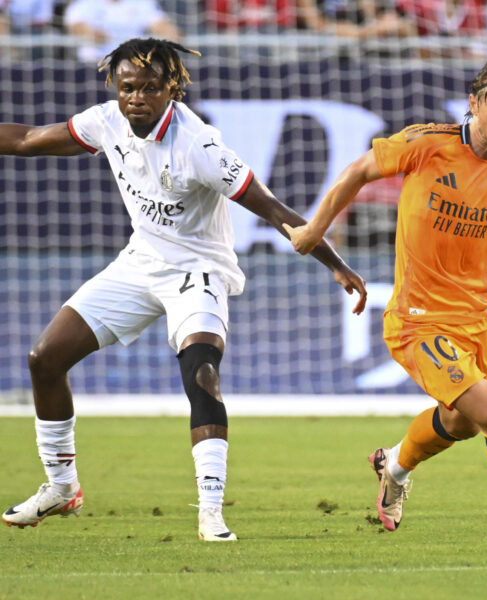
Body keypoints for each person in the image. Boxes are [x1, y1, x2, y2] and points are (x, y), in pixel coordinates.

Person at [1, 37, 367, 541]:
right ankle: (62, 488)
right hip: (140, 263)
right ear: (115, 85)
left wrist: (336, 264)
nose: (137, 98)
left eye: (150, 88)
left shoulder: (200, 146)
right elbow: (26, 140)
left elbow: (275, 210)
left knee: (202, 374)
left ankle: (211, 510)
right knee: (44, 358)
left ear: (172, 88)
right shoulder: (106, 121)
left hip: (198, 271)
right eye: (128, 87)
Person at [284, 53, 487, 536]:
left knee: (461, 425)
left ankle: (393, 466)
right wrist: (314, 231)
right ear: (474, 103)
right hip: (417, 320)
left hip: (475, 323)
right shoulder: (426, 144)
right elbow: (358, 171)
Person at [63, 0, 182, 62]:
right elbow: (76, 26)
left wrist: (170, 32)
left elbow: (160, 24)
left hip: (134, 65)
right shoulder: (85, 4)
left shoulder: (141, 2)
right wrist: (93, 34)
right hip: (96, 66)